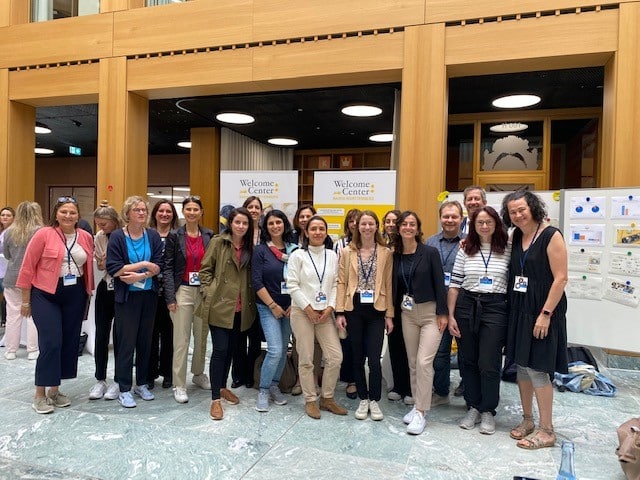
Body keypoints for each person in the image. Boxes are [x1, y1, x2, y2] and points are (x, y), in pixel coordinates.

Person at [502, 190, 568, 450]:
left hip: (543, 312)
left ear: (533, 208)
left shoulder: (552, 235)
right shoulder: (517, 235)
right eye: (512, 212)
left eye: (521, 210)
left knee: (538, 369)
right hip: (520, 309)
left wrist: (545, 314)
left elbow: (561, 278)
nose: (517, 215)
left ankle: (547, 430)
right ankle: (528, 420)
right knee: (522, 366)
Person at [17, 196, 94, 414]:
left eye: (72, 212)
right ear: (56, 214)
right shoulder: (44, 234)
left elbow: (87, 265)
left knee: (68, 342)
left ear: (78, 215)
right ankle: (39, 394)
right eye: (64, 212)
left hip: (75, 294)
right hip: (45, 294)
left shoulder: (85, 237)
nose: (68, 216)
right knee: (51, 342)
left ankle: (54, 390)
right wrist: (25, 300)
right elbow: (27, 267)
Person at [447, 206, 511, 435]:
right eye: (479, 223)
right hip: (466, 305)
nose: (484, 226)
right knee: (468, 359)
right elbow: (454, 284)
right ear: (473, 226)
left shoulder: (507, 248)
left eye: (488, 222)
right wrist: (452, 315)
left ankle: (488, 410)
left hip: (495, 308)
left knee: (489, 361)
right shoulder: (466, 249)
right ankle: (473, 406)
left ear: (496, 224)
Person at [197, 207, 256, 421]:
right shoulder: (218, 242)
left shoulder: (250, 247)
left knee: (231, 350)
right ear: (230, 223)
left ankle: (222, 386)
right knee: (220, 350)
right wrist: (208, 290)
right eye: (237, 222)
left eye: (245, 223)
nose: (241, 226)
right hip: (220, 305)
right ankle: (215, 400)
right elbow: (205, 270)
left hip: (241, 308)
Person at [392, 211, 448, 435]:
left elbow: (439, 283)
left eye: (412, 224)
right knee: (413, 362)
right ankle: (417, 405)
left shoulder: (430, 252)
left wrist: (443, 313)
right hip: (407, 313)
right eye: (404, 224)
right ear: (399, 228)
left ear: (418, 228)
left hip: (430, 313)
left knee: (425, 362)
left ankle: (422, 413)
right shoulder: (395, 255)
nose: (408, 227)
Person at [287, 215, 347, 419]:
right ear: (306, 232)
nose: (318, 232)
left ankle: (327, 398)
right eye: (313, 229)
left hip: (325, 314)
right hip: (302, 312)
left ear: (326, 232)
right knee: (306, 359)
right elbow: (292, 285)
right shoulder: (298, 255)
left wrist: (330, 308)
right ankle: (310, 400)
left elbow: (335, 284)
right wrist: (308, 308)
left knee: (335, 356)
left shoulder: (332, 255)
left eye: (322, 228)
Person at [336, 211, 393, 421]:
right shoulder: (346, 252)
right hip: (354, 308)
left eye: (371, 224)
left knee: (374, 359)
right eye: (363, 224)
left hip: (377, 309)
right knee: (357, 357)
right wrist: (340, 311)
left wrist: (390, 315)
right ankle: (363, 397)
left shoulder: (386, 252)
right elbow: (341, 282)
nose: (367, 227)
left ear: (376, 227)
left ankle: (375, 400)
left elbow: (388, 284)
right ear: (357, 227)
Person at [106, 196, 163, 408]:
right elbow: (114, 268)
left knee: (145, 341)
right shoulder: (118, 237)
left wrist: (139, 275)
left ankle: (141, 383)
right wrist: (144, 264)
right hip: (127, 298)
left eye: (143, 210)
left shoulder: (154, 236)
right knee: (126, 343)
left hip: (148, 296)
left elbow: (158, 266)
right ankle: (123, 388)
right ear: (127, 213)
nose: (141, 213)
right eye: (137, 210)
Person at [163, 196, 214, 403]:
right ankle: (179, 383)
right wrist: (169, 297)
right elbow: (167, 267)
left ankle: (198, 373)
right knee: (181, 339)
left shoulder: (209, 235)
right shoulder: (175, 236)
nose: (192, 212)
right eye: (188, 209)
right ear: (183, 212)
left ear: (201, 212)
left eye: (196, 209)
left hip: (203, 291)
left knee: (201, 336)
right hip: (182, 290)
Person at [251, 209, 297, 412]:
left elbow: (301, 280)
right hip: (268, 307)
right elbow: (256, 281)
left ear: (284, 224)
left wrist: (292, 305)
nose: (275, 226)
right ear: (266, 227)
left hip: (290, 308)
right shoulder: (261, 251)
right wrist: (273, 306)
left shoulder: (294, 250)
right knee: (275, 349)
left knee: (282, 351)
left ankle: (274, 385)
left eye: (279, 222)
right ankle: (262, 390)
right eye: (271, 223)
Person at [426, 200, 465, 407]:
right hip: (438, 307)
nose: (450, 220)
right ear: (440, 218)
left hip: (463, 306)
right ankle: (441, 391)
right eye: (446, 216)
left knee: (467, 353)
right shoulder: (430, 243)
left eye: (454, 216)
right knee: (440, 353)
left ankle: (470, 391)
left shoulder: (469, 243)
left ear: (461, 218)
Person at [88, 201, 123, 400]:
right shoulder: (100, 237)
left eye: (104, 224)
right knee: (102, 333)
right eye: (98, 224)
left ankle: (119, 380)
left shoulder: (126, 234)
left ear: (114, 220)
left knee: (120, 336)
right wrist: (103, 261)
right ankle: (100, 379)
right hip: (106, 287)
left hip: (123, 287)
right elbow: (102, 266)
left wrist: (109, 261)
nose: (101, 228)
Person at [231, 195, 264, 389]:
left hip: (259, 292)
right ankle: (238, 375)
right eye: (249, 207)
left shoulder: (265, 234)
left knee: (255, 337)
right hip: (239, 292)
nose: (253, 210)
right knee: (237, 337)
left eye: (256, 207)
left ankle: (251, 374)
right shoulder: (238, 234)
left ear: (261, 211)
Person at [2, 202, 42, 361]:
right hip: (34, 278)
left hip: (12, 278)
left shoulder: (9, 231)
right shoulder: (40, 231)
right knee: (33, 315)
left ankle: (11, 350)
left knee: (12, 316)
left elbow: (6, 254)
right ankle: (33, 350)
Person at [148, 200, 179, 390]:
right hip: (149, 291)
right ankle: (149, 374)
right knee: (149, 335)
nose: (165, 214)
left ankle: (168, 373)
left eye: (168, 211)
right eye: (161, 211)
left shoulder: (177, 236)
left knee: (169, 335)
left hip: (171, 293)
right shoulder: (147, 235)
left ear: (173, 215)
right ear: (155, 214)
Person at [334, 208, 361, 400]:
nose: (354, 224)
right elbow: (337, 275)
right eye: (351, 220)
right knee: (346, 340)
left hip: (366, 301)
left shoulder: (373, 244)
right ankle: (349, 377)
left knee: (361, 341)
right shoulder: (339, 244)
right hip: (346, 299)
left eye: (358, 220)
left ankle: (357, 376)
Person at [0, 206, 16, 327]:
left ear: (13, 218)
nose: (5, 217)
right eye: (3, 215)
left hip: (7, 270)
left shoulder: (14, 232)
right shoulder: (2, 232)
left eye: (8, 215)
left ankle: (5, 321)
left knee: (8, 298)